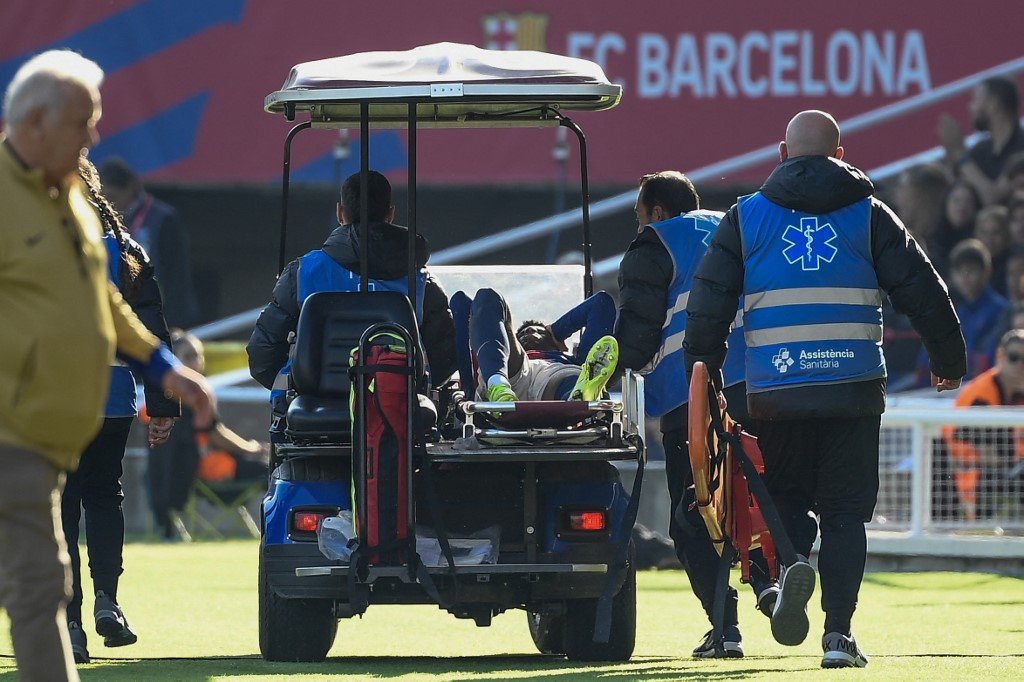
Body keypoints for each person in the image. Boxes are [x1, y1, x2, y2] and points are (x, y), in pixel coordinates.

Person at [683, 110, 966, 669]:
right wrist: (947, 361)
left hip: (778, 393)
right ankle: (838, 637)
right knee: (844, 517)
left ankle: (790, 567)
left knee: (786, 499)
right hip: (853, 390)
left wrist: (704, 373)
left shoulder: (745, 218)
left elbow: (708, 301)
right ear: (840, 155)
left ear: (782, 154)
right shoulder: (870, 216)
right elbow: (923, 290)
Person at [0, 49, 215, 682]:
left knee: (42, 588)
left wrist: (161, 368)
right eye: (82, 123)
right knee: (40, 585)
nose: (94, 137)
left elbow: (103, 299)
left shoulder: (69, 196)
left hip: (44, 436)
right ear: (35, 123)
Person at [613, 171, 776, 659]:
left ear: (657, 212)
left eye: (640, 216)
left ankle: (724, 628)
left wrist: (597, 368)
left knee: (694, 516)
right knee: (755, 499)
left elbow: (637, 337)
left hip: (689, 401)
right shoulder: (738, 228)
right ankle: (771, 582)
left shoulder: (654, 245)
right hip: (760, 389)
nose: (639, 226)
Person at [59, 159, 181, 664]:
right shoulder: (126, 249)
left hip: (54, 396)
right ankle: (108, 601)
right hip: (111, 393)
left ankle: (69, 622)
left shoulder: (34, 244)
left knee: (61, 508)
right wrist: (163, 405)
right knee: (105, 495)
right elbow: (152, 330)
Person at [247, 170, 457, 424]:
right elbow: (445, 355)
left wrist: (296, 389)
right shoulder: (422, 283)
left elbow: (262, 354)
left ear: (339, 213)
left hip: (313, 411)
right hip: (397, 414)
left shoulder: (301, 273)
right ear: (390, 213)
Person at [148, 330, 267, 539]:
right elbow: (215, 434)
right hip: (206, 470)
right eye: (188, 357)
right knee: (270, 469)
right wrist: (251, 447)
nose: (195, 362)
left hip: (174, 476)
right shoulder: (195, 395)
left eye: (198, 355)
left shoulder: (161, 395)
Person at [453, 288, 619, 403]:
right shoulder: (497, 355)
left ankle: (579, 398)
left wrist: (557, 330)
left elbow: (600, 303)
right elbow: (460, 302)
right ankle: (498, 386)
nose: (529, 332)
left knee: (577, 377)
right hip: (512, 375)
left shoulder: (574, 361)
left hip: (558, 377)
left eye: (539, 331)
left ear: (561, 346)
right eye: (523, 333)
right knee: (487, 296)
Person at [98, 157, 200, 327]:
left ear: (130, 187)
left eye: (112, 197)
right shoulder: (108, 221)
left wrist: (174, 323)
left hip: (162, 316)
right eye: (104, 198)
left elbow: (177, 276)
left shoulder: (163, 219)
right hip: (125, 314)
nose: (109, 204)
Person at [944, 330, 1024, 521]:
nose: (1021, 365)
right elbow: (989, 455)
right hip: (969, 484)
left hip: (1007, 478)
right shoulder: (979, 396)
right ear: (999, 356)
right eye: (1014, 357)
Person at [938, 76, 1024, 206]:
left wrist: (961, 153)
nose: (970, 107)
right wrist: (952, 152)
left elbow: (994, 199)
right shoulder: (980, 150)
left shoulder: (1021, 146)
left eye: (975, 100)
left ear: (993, 104)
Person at [938, 239, 1008, 380]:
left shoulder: (1002, 310)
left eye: (971, 270)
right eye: (959, 271)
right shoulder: (959, 311)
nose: (965, 276)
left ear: (987, 272)